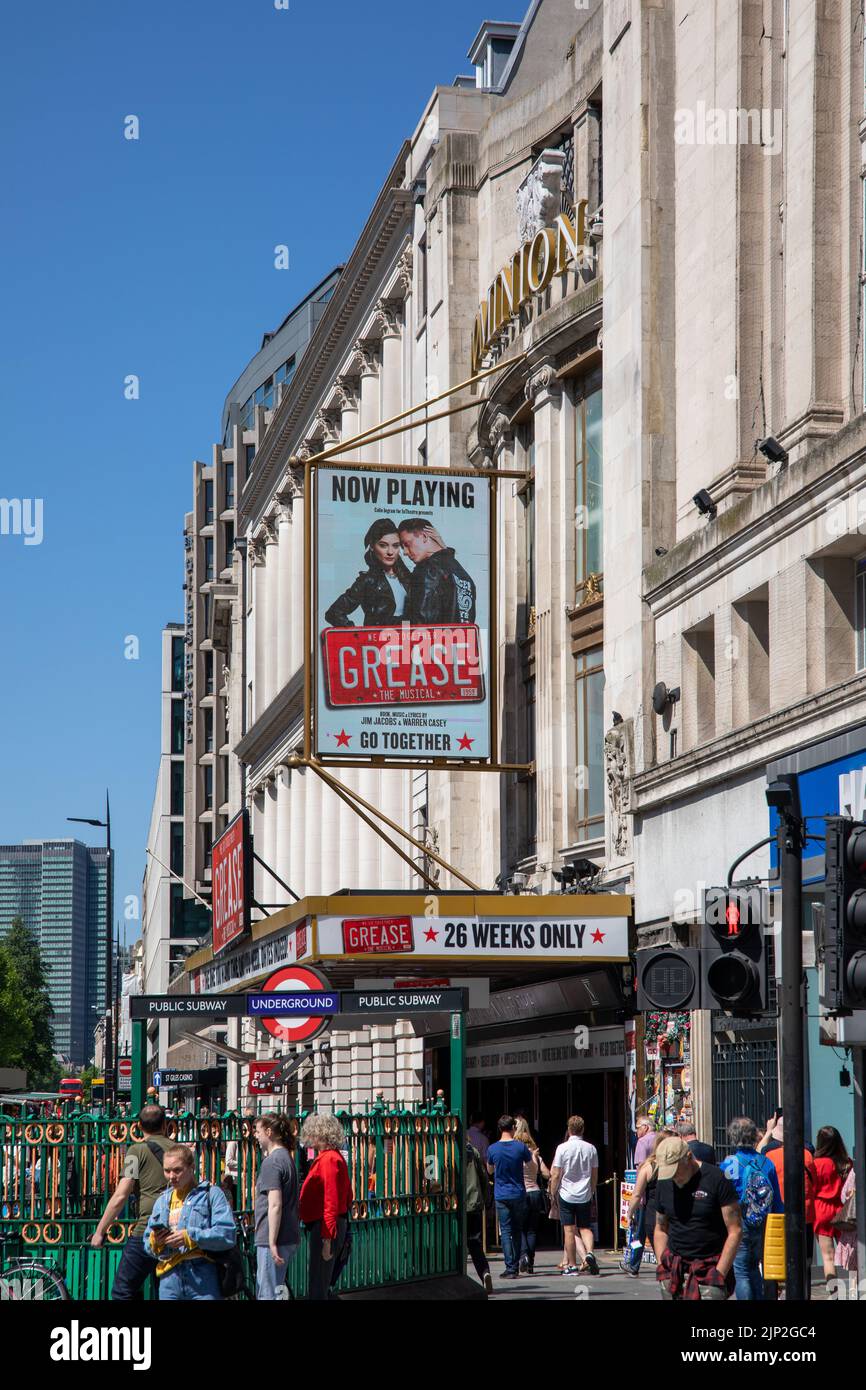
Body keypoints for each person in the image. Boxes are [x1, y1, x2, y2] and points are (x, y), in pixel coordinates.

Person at [91, 1102, 174, 1301]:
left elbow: (121, 1194)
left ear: (138, 1126)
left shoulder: (135, 1151)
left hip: (147, 1228)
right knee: (166, 1290)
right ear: (165, 1125)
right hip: (176, 1228)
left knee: (123, 1291)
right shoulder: (179, 1150)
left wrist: (100, 1231)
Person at [143, 1144, 236, 1300]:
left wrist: (190, 1236)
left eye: (177, 1170)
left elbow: (227, 1234)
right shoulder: (162, 1201)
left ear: (192, 1167)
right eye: (167, 1171)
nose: (171, 1176)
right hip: (169, 1276)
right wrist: (155, 1241)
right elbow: (147, 1242)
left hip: (202, 1276)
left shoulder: (211, 1194)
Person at [654, 1136, 741, 1300]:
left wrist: (720, 1273)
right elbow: (660, 1228)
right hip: (674, 1268)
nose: (674, 1176)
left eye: (676, 1170)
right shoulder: (664, 1183)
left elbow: (735, 1230)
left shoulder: (716, 1178)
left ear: (688, 1157)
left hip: (708, 1269)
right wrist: (663, 1266)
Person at [719, 1116, 782, 1300]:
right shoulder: (766, 1162)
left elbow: (725, 1196)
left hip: (740, 1221)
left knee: (741, 1271)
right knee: (754, 1266)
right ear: (755, 1136)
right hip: (763, 1221)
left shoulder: (730, 1164)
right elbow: (776, 1198)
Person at [298, 1113, 352, 1300]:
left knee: (318, 1283)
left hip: (325, 1227)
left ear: (320, 1134)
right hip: (327, 1224)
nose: (309, 1138)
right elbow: (347, 1196)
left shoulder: (329, 1159)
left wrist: (327, 1239)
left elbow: (331, 1200)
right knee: (320, 1280)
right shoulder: (332, 1157)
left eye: (312, 1133)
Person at [324, 519, 412, 627]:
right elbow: (334, 613)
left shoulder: (409, 578)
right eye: (383, 545)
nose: (390, 552)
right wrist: (356, 635)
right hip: (380, 640)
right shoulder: (367, 581)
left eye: (395, 545)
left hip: (409, 638)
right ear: (372, 546)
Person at [254, 1112, 300, 1300]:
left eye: (257, 1131)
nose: (255, 1136)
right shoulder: (286, 1158)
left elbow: (275, 1204)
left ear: (269, 1132)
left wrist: (271, 1242)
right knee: (278, 1292)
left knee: (268, 1293)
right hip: (288, 1235)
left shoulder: (272, 1162)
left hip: (272, 1238)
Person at [398, 517, 477, 624]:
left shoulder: (427, 570)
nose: (405, 552)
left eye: (407, 544)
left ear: (425, 536)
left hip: (433, 640)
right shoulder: (462, 574)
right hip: (462, 640)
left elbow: (419, 624)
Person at [550, 1115, 599, 1277]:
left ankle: (571, 1265)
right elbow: (594, 1174)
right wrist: (591, 1191)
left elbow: (556, 1173)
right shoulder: (591, 1148)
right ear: (582, 1129)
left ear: (569, 1129)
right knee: (585, 1227)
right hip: (584, 1193)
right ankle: (590, 1253)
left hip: (566, 1193)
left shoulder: (562, 1148)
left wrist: (552, 1192)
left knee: (569, 1230)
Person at [486, 1115, 531, 1279]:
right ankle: (517, 1265)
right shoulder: (520, 1147)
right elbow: (530, 1164)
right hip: (518, 1192)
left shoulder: (492, 1149)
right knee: (517, 1230)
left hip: (501, 1194)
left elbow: (489, 1170)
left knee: (505, 1231)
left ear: (499, 1129)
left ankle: (510, 1267)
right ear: (513, 1128)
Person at [624, 1130, 668, 1278]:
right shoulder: (681, 1164)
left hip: (652, 1211)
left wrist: (629, 1213)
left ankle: (667, 1277)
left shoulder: (649, 1166)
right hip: (674, 1210)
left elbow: (637, 1193)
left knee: (657, 1245)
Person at [813, 1125, 852, 1285]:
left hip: (821, 1210)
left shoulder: (817, 1164)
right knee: (851, 1256)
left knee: (828, 1256)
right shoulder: (847, 1163)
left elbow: (812, 1188)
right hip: (843, 1211)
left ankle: (834, 1294)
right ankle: (854, 1291)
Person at [513, 1117, 550, 1274]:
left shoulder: (515, 1155)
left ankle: (523, 1255)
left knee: (519, 1228)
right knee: (532, 1230)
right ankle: (531, 1263)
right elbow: (547, 1174)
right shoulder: (535, 1155)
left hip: (520, 1193)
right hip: (535, 1192)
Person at [465, 1138, 493, 1295]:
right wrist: (484, 1200)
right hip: (474, 1202)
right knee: (474, 1243)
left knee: (455, 1244)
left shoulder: (448, 1150)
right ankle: (484, 1273)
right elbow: (483, 1176)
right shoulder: (473, 1151)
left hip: (455, 1205)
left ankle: (459, 1276)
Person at [223, 1107, 255, 1209]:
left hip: (245, 1178)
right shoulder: (234, 1143)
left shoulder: (249, 1144)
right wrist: (241, 1164)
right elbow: (228, 1161)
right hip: (234, 1179)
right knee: (236, 1203)